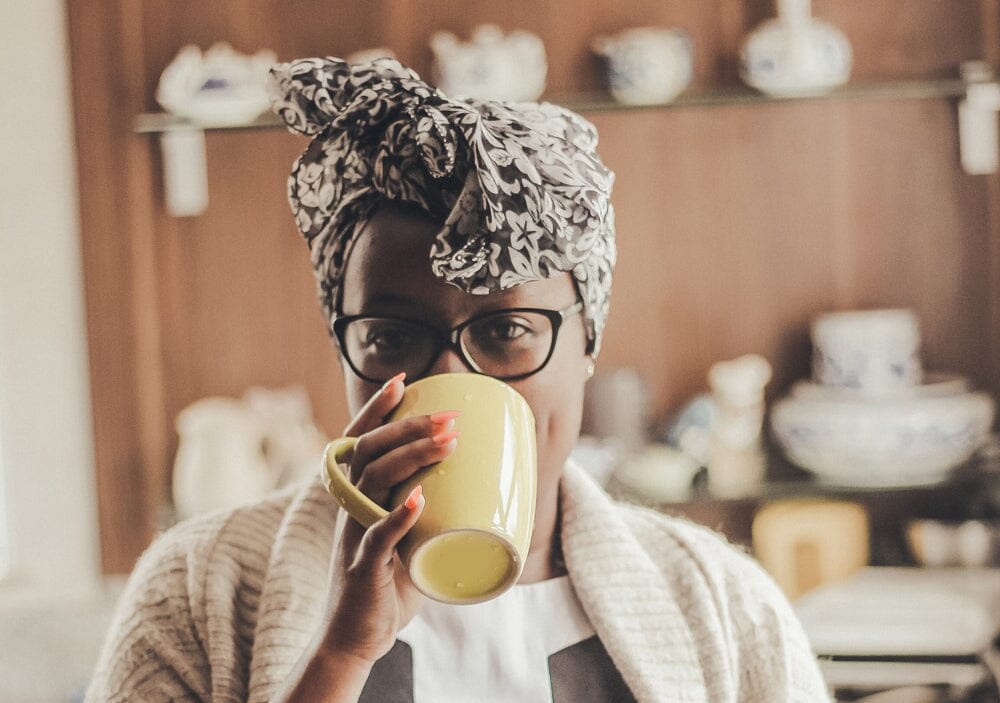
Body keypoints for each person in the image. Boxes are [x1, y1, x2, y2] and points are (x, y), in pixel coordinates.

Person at [86, 57, 830, 703]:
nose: (446, 377)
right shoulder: (195, 592)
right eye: (390, 335)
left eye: (506, 331)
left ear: (588, 340)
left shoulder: (726, 611)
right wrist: (339, 660)